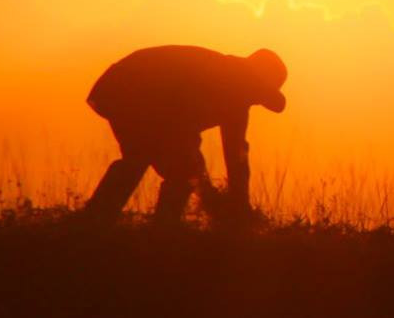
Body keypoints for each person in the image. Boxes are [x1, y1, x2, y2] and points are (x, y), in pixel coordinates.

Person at [82, 45, 287, 222]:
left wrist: (230, 198)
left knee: (151, 160)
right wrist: (232, 201)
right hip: (130, 90)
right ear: (255, 82)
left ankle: (96, 222)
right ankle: (159, 231)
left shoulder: (232, 84)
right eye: (261, 94)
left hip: (122, 89)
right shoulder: (229, 85)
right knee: (172, 167)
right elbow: (183, 129)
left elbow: (234, 152)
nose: (258, 101)